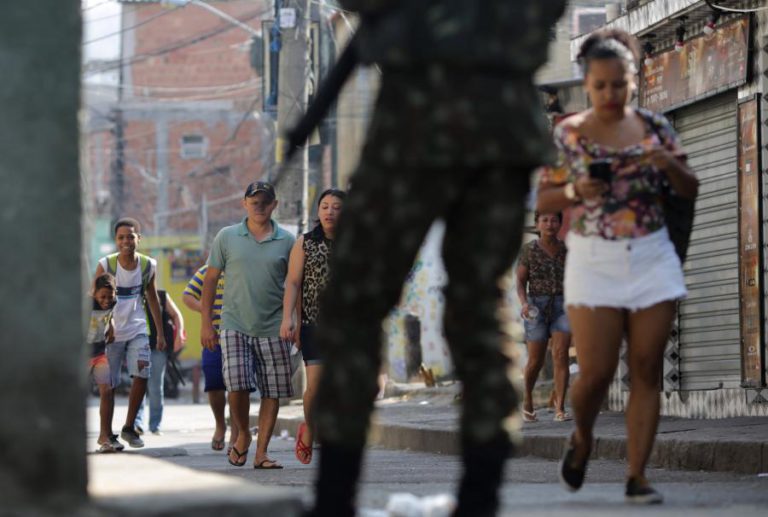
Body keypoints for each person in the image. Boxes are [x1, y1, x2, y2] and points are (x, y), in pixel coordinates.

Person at [306, 2, 567, 516]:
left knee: (356, 302)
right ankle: (481, 493)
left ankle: (336, 494)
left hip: (417, 124)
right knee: (478, 308)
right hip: (500, 126)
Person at [536, 29, 698, 504]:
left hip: (652, 255)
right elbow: (543, 197)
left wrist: (665, 162)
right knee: (596, 373)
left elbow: (690, 187)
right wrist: (574, 193)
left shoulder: (656, 127)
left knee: (646, 367)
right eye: (600, 85)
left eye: (619, 84)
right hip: (594, 260)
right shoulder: (568, 132)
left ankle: (637, 476)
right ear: (587, 82)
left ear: (634, 80)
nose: (610, 94)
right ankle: (582, 438)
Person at [201, 181, 295, 469]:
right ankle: (242, 434)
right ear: (244, 203)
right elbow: (210, 280)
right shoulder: (227, 237)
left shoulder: (287, 240)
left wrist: (293, 321)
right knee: (237, 385)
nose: (259, 205)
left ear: (274, 205)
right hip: (234, 324)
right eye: (254, 201)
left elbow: (294, 284)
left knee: (272, 391)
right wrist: (207, 323)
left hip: (274, 326)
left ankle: (262, 452)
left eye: (265, 201)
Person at [280, 188, 346, 465]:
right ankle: (310, 428)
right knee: (316, 388)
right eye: (325, 206)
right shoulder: (305, 243)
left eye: (337, 207)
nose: (330, 211)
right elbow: (294, 282)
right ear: (318, 212)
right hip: (313, 325)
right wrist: (289, 319)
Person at [94, 217, 166, 449]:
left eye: (130, 237)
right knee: (108, 387)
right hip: (109, 336)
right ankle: (105, 436)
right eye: (121, 237)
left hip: (137, 330)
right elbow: (93, 299)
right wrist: (104, 327)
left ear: (138, 239)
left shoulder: (148, 266)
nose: (126, 241)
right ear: (116, 241)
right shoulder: (106, 265)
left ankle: (128, 428)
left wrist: (160, 333)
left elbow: (152, 298)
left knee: (143, 374)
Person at [516, 211, 572, 423]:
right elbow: (521, 282)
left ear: (559, 224)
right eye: (545, 220)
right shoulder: (529, 250)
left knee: (560, 354)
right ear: (537, 224)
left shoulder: (567, 249)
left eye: (554, 220)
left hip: (563, 304)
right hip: (535, 307)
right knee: (536, 360)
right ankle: (527, 399)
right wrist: (524, 303)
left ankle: (560, 407)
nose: (550, 224)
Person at [183, 264, 237, 452]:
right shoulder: (207, 270)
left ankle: (236, 434)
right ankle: (220, 425)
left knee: (237, 386)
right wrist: (206, 310)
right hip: (213, 336)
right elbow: (187, 296)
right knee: (214, 385)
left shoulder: (242, 268)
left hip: (239, 334)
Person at [135, 290, 186, 435]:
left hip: (159, 347)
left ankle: (155, 425)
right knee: (138, 385)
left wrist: (179, 334)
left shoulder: (162, 295)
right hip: (137, 346)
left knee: (156, 387)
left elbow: (176, 315)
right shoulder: (132, 293)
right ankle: (137, 423)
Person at [88, 272, 121, 453]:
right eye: (102, 297)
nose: (106, 300)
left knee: (107, 391)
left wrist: (113, 324)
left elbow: (109, 314)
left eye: (110, 296)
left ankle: (104, 436)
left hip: (100, 352)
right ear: (94, 294)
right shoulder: (87, 303)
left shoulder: (113, 302)